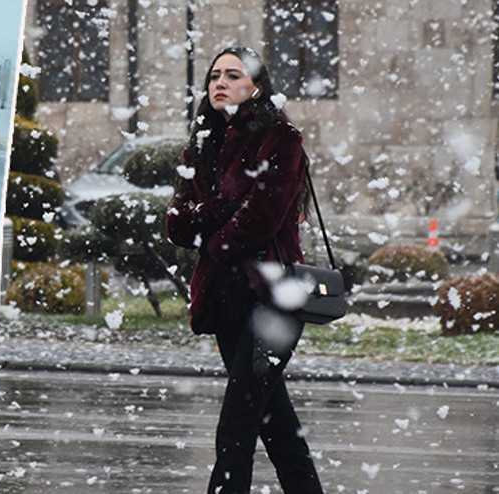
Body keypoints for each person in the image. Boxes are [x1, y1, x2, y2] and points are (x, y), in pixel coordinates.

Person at [166, 46, 323, 493]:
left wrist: (213, 229)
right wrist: (225, 210)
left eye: (233, 75)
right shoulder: (203, 140)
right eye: (215, 75)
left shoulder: (281, 138)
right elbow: (177, 223)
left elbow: (263, 218)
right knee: (275, 427)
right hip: (226, 297)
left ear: (256, 86)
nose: (220, 82)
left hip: (275, 298)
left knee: (236, 426)